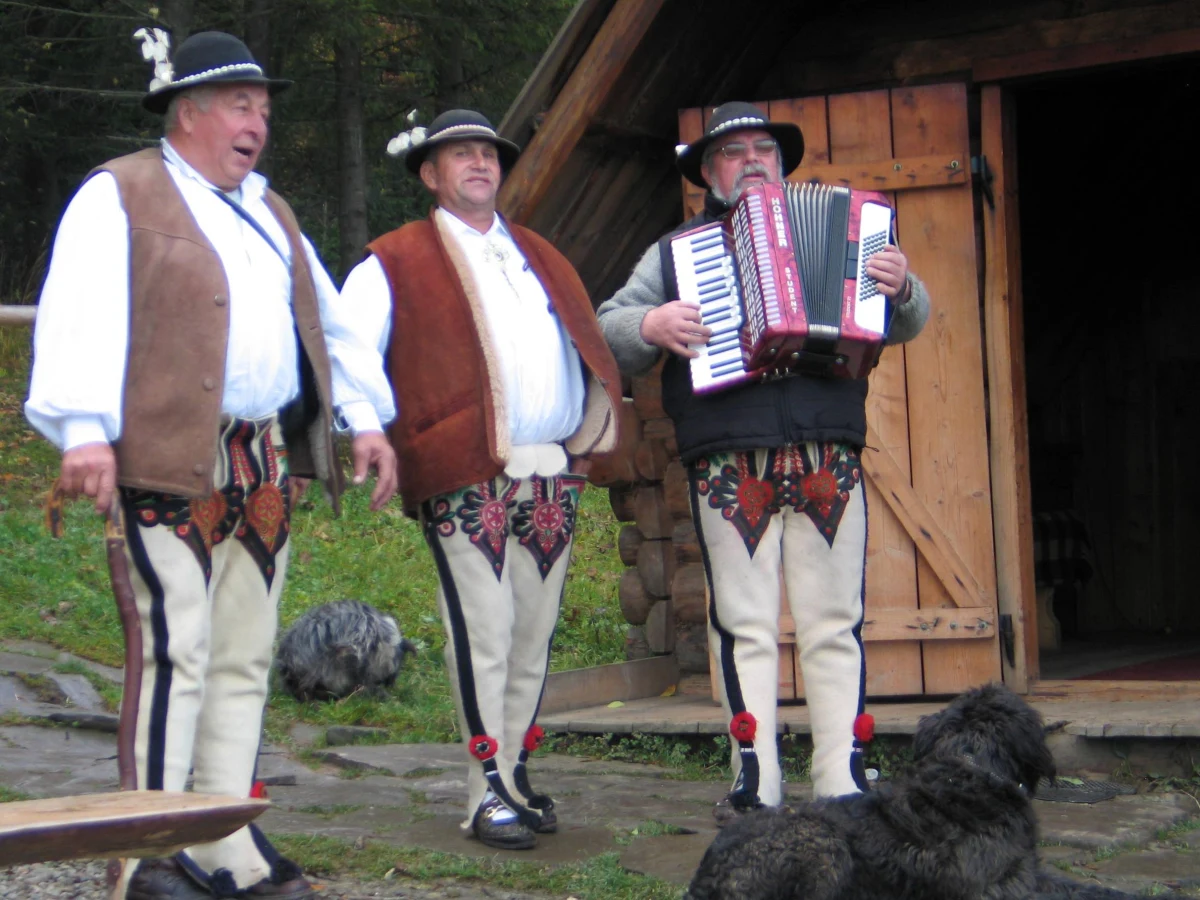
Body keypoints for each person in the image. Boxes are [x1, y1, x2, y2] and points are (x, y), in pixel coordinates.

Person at [25, 30, 397, 900]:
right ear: (187, 112)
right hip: (167, 460)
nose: (256, 123)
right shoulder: (120, 193)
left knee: (241, 655)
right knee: (175, 652)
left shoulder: (271, 210)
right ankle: (150, 854)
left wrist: (366, 420)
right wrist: (82, 430)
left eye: (263, 109)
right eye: (239, 105)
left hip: (263, 461)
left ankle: (225, 841)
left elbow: (333, 326)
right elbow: (77, 312)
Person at [596, 101, 931, 818]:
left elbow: (904, 320)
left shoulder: (849, 232)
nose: (751, 160)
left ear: (781, 165)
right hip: (729, 460)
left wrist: (902, 286)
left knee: (833, 620)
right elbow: (610, 326)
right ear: (709, 174)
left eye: (763, 150)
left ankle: (844, 779)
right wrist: (651, 323)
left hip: (824, 453)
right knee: (745, 624)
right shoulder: (675, 254)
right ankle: (756, 778)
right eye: (733, 152)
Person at [338, 108, 621, 850]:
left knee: (533, 635)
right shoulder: (392, 260)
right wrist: (368, 428)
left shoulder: (537, 255)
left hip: (550, 472)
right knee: (483, 633)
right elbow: (349, 353)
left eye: (487, 154)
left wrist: (585, 439)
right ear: (430, 175)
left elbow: (584, 345)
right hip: (464, 472)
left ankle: (518, 773)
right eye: (459, 155)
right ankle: (485, 787)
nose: (478, 164)